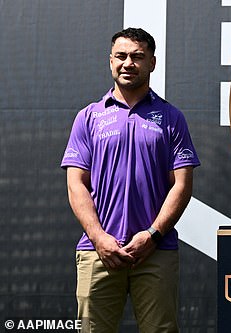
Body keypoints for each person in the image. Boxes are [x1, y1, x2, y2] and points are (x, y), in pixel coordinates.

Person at [61, 27, 200, 332]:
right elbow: (76, 184)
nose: (128, 63)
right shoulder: (88, 117)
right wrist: (99, 238)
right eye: (121, 56)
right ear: (110, 61)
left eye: (137, 57)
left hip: (155, 252)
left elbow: (182, 184)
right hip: (97, 252)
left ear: (152, 62)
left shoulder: (171, 117)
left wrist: (153, 235)